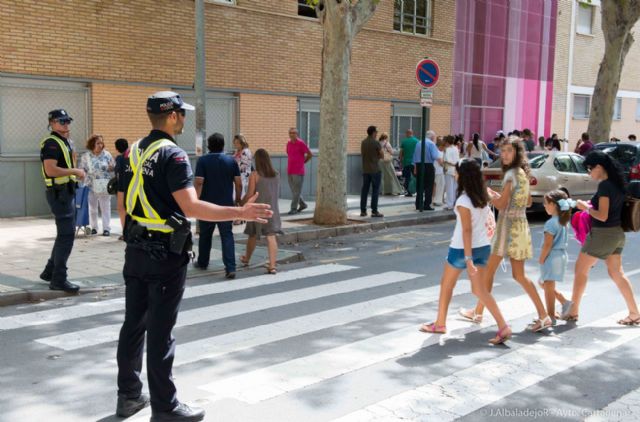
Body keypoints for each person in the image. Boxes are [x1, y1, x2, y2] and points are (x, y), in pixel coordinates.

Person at [115, 91, 272, 421]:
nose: (184, 119)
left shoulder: (132, 151)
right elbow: (191, 207)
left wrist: (135, 236)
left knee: (133, 325)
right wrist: (239, 211)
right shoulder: (172, 155)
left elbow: (122, 206)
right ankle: (165, 407)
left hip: (135, 250)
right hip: (165, 255)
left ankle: (128, 396)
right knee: (160, 331)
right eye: (181, 114)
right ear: (171, 117)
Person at [459, 137, 552, 332]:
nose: (505, 154)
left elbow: (501, 204)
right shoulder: (523, 174)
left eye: (509, 151)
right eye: (503, 151)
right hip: (520, 226)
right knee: (519, 276)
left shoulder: (510, 174)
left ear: (517, 153)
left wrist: (490, 195)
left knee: (490, 271)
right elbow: (527, 202)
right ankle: (543, 316)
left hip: (507, 228)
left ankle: (478, 312)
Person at [419, 159, 511, 344]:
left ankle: (440, 323)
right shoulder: (483, 195)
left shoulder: (463, 200)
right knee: (480, 290)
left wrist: (468, 259)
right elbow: (496, 208)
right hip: (483, 247)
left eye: (457, 171)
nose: (455, 174)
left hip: (461, 249)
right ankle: (503, 326)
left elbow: (466, 230)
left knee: (446, 285)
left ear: (463, 175)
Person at [560, 151, 640, 325]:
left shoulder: (604, 186)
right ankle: (635, 313)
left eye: (590, 169)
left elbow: (602, 215)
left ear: (599, 167)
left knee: (580, 270)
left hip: (603, 234)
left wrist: (584, 207)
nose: (589, 173)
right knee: (617, 273)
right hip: (616, 234)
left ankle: (573, 311)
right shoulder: (617, 184)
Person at [39, 109, 86, 293]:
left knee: (63, 235)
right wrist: (75, 172)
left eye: (68, 121)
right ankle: (59, 279)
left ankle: (49, 272)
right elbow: (50, 170)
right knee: (66, 237)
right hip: (59, 195)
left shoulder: (63, 141)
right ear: (51, 123)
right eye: (61, 121)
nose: (66, 124)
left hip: (65, 192)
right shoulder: (51, 143)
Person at [193, 133, 242, 279]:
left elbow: (199, 182)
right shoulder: (231, 161)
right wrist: (237, 200)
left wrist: (195, 200)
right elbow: (238, 183)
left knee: (205, 235)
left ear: (208, 145)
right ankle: (230, 267)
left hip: (207, 205)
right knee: (227, 235)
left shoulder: (203, 161)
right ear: (223, 145)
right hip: (226, 205)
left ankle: (202, 262)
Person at [240, 149, 282, 274]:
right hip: (272, 210)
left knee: (252, 234)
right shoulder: (276, 174)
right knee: (271, 236)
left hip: (257, 209)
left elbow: (250, 194)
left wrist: (241, 202)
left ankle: (246, 259)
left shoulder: (255, 175)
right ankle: (273, 266)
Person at [538, 190, 573, 323]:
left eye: (546, 203)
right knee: (545, 284)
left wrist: (541, 258)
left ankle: (551, 316)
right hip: (561, 256)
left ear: (553, 205)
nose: (544, 206)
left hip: (552, 257)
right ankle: (564, 302)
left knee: (547, 285)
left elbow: (547, 244)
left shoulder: (550, 223)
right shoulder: (563, 221)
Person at [80, 134, 115, 236]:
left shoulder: (107, 154)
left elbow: (113, 167)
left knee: (105, 208)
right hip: (91, 186)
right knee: (92, 208)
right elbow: (82, 169)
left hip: (104, 185)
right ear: (92, 144)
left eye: (101, 143)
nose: (100, 145)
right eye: (98, 143)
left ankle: (106, 229)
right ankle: (94, 227)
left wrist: (111, 168)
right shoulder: (86, 156)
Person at [413, 130, 443, 211]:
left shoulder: (418, 143)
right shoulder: (431, 144)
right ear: (432, 137)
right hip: (428, 166)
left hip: (419, 165)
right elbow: (435, 156)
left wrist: (415, 168)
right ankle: (427, 204)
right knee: (429, 186)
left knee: (419, 185)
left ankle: (418, 204)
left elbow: (415, 157)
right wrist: (442, 164)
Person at [286, 127, 312, 215]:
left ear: (297, 134)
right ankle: (303, 204)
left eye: (294, 133)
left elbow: (310, 154)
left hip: (298, 171)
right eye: (290, 133)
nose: (292, 134)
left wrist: (303, 162)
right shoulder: (288, 143)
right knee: (294, 191)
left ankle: (293, 208)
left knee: (296, 191)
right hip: (290, 170)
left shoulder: (301, 143)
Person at [360, 125, 384, 217]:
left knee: (364, 190)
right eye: (376, 132)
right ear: (373, 132)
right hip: (375, 169)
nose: (377, 133)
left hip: (366, 169)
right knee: (375, 190)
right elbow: (382, 155)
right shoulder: (376, 143)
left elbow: (362, 154)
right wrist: (376, 157)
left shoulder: (363, 142)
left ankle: (363, 211)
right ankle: (374, 211)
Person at [114, 138, 129, 240]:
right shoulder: (133, 155)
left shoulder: (120, 158)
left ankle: (126, 233)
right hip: (133, 186)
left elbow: (118, 172)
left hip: (122, 187)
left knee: (122, 209)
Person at [399, 129, 419, 197]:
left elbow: (401, 153)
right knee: (415, 177)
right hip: (415, 163)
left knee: (407, 177)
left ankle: (408, 192)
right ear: (412, 133)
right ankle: (416, 190)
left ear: (407, 133)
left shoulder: (404, 141)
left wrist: (401, 162)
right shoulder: (417, 141)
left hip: (406, 163)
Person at [443, 135, 460, 210]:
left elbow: (447, 160)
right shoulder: (456, 148)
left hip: (449, 169)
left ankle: (450, 205)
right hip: (456, 169)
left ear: (447, 142)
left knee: (449, 188)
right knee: (455, 187)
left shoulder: (447, 149)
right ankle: (454, 203)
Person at [433, 138, 445, 206]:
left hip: (440, 171)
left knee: (440, 186)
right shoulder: (438, 152)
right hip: (438, 171)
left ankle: (438, 200)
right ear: (441, 146)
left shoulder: (441, 152)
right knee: (438, 186)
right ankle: (436, 200)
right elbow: (441, 163)